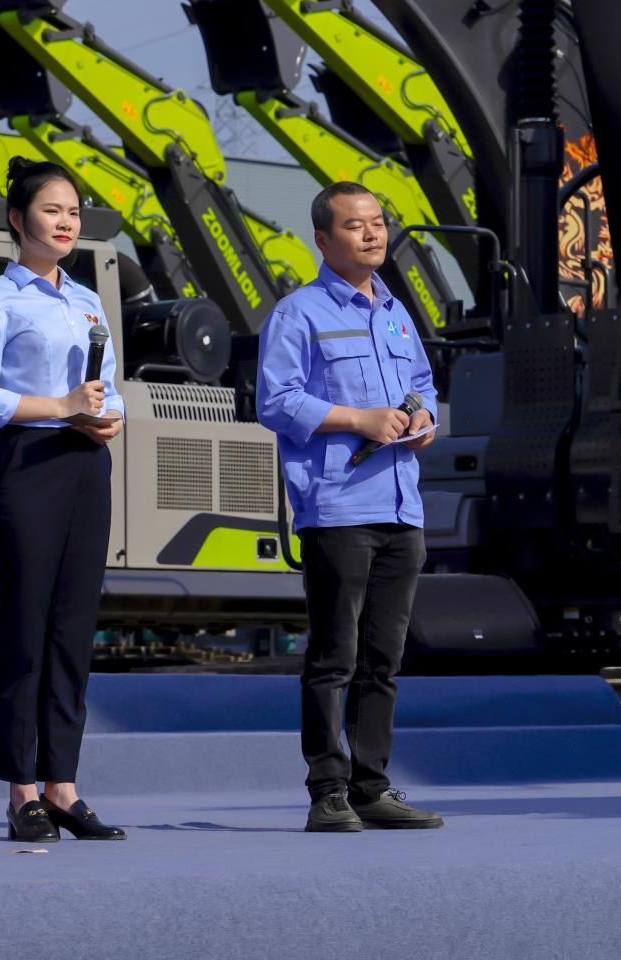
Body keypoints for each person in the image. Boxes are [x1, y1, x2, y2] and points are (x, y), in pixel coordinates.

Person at [256, 181, 445, 834]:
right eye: (355, 225)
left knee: (382, 662)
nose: (372, 233)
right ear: (321, 239)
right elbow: (275, 401)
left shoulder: (395, 312)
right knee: (334, 657)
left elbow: (422, 385)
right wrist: (358, 419)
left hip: (401, 507)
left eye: (378, 223)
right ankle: (327, 792)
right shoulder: (298, 314)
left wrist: (422, 420)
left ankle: (372, 788)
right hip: (338, 507)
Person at [0, 158, 127, 843]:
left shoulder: (87, 300)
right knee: (25, 627)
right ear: (17, 218)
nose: (65, 222)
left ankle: (64, 786)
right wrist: (60, 407)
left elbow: (108, 387)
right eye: (52, 210)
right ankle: (21, 790)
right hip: (28, 461)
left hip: (86, 465)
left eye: (73, 212)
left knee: (73, 630)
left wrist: (108, 417)